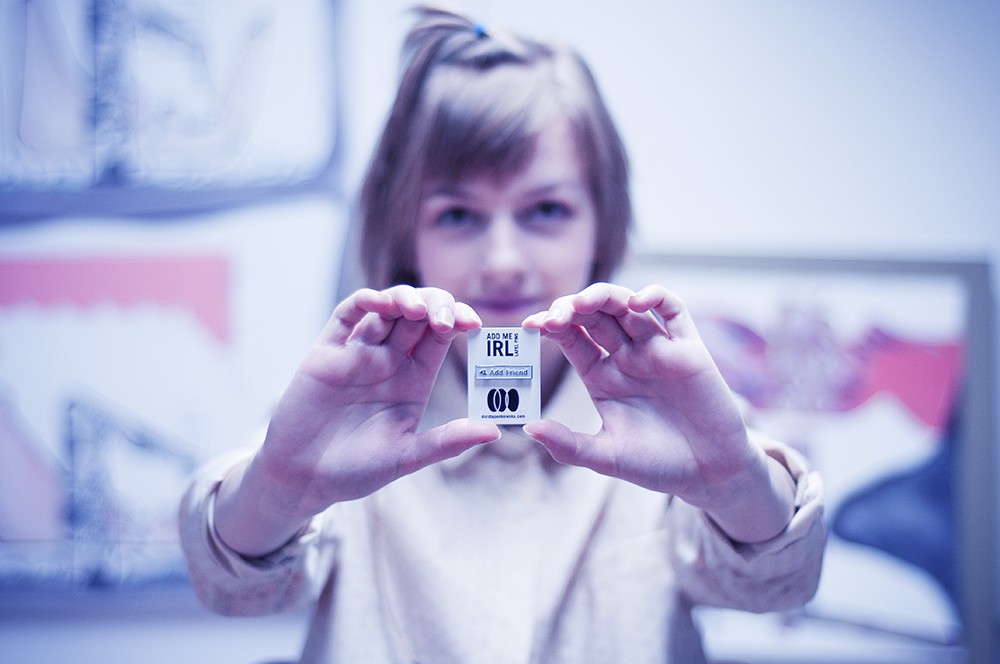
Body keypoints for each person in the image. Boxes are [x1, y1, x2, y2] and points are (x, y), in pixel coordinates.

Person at [179, 6, 825, 663]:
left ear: (602, 228)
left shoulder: (673, 413)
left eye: (546, 210)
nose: (503, 261)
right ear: (405, 236)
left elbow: (776, 583)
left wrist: (736, 483)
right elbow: (235, 588)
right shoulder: (344, 417)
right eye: (458, 215)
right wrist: (277, 490)